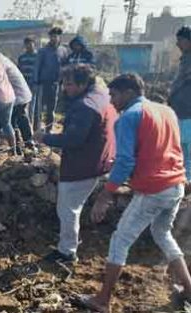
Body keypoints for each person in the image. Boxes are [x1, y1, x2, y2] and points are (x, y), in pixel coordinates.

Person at [75, 74, 191, 312]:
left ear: (128, 92)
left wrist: (105, 195)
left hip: (155, 189)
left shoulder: (128, 117)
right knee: (161, 232)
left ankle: (102, 300)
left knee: (120, 240)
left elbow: (125, 161)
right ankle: (189, 289)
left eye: (114, 95)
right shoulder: (166, 111)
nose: (112, 101)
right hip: (175, 185)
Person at [34, 65, 117, 262]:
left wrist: (45, 138)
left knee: (67, 208)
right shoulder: (102, 95)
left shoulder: (85, 105)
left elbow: (73, 139)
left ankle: (67, 252)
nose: (65, 88)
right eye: (64, 83)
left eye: (69, 84)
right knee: (72, 207)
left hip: (83, 165)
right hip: (99, 160)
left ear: (83, 84)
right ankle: (68, 246)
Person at [0, 50, 34, 154]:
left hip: (17, 95)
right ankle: (29, 143)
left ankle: (17, 149)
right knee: (21, 118)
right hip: (21, 94)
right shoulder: (2, 59)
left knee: (11, 122)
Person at [34, 27, 68, 131]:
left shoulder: (63, 51)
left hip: (55, 84)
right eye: (52, 36)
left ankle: (49, 129)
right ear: (50, 37)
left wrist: (64, 82)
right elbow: (37, 66)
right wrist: (36, 81)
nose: (54, 38)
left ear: (59, 37)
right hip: (43, 83)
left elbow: (65, 67)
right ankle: (37, 130)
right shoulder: (43, 51)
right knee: (39, 109)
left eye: (56, 36)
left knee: (51, 109)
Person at [170, 26, 191, 183]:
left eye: (180, 40)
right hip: (180, 110)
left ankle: (187, 181)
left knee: (186, 149)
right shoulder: (185, 58)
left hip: (188, 112)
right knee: (182, 148)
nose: (177, 44)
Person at [18, 36, 39, 130]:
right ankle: (27, 126)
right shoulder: (22, 57)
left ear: (34, 44)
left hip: (34, 84)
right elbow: (19, 70)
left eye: (30, 43)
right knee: (24, 106)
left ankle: (33, 127)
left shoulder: (38, 56)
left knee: (33, 107)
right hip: (24, 84)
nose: (29, 45)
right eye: (27, 44)